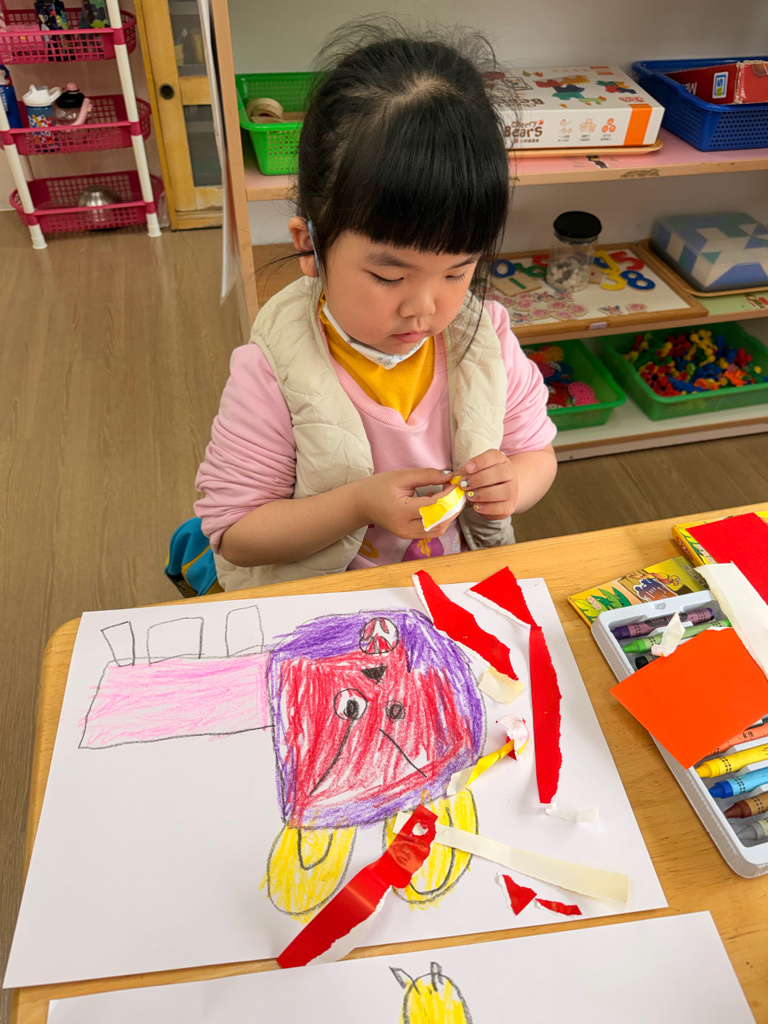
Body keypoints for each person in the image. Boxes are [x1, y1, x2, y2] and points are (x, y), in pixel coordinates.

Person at [195, 20, 557, 591]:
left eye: (458, 272)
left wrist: (512, 485)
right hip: (325, 607)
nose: (424, 308)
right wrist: (356, 505)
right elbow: (235, 533)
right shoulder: (274, 370)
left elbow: (536, 453)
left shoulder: (484, 337)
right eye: (389, 276)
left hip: (450, 592)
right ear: (310, 246)